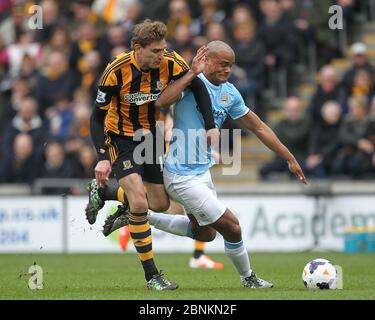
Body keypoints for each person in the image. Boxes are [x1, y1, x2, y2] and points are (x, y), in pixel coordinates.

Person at [105, 40, 307, 288]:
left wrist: (289, 157)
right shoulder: (188, 83)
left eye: (231, 66)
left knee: (206, 233)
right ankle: (248, 278)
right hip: (179, 174)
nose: (227, 70)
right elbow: (161, 102)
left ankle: (139, 216)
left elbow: (259, 127)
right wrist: (191, 72)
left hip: (201, 173)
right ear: (207, 60)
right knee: (232, 227)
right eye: (223, 64)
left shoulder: (230, 93)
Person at [88, 19, 219, 291]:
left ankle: (106, 193)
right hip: (120, 138)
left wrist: (210, 126)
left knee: (158, 205)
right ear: (138, 48)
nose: (162, 55)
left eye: (163, 49)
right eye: (156, 51)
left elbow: (198, 87)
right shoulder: (115, 70)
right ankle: (152, 277)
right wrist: (102, 156)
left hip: (151, 137)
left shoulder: (171, 63)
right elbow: (96, 116)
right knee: (138, 203)